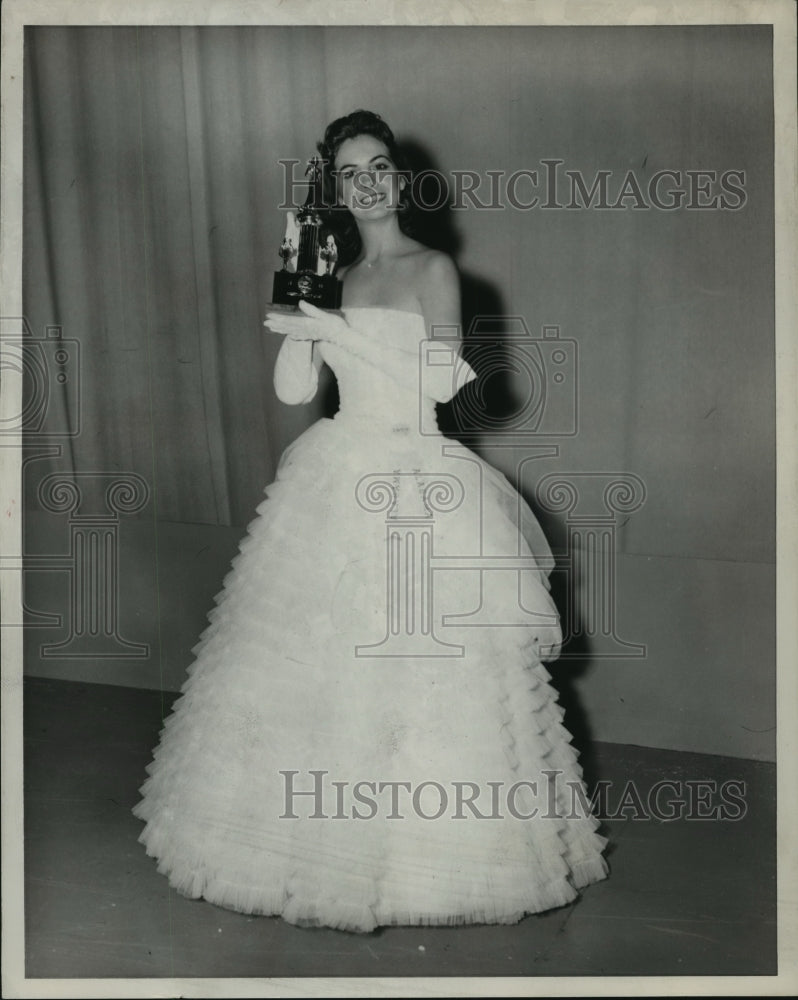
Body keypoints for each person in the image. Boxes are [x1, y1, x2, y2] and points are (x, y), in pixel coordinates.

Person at [133, 109, 608, 932]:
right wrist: (296, 328)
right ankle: (300, 848)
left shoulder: (434, 268)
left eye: (380, 165)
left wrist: (333, 328)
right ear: (335, 188)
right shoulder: (335, 273)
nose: (369, 182)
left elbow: (440, 383)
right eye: (350, 172)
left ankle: (433, 862)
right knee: (311, 667)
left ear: (400, 175)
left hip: (418, 474)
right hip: (338, 470)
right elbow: (293, 392)